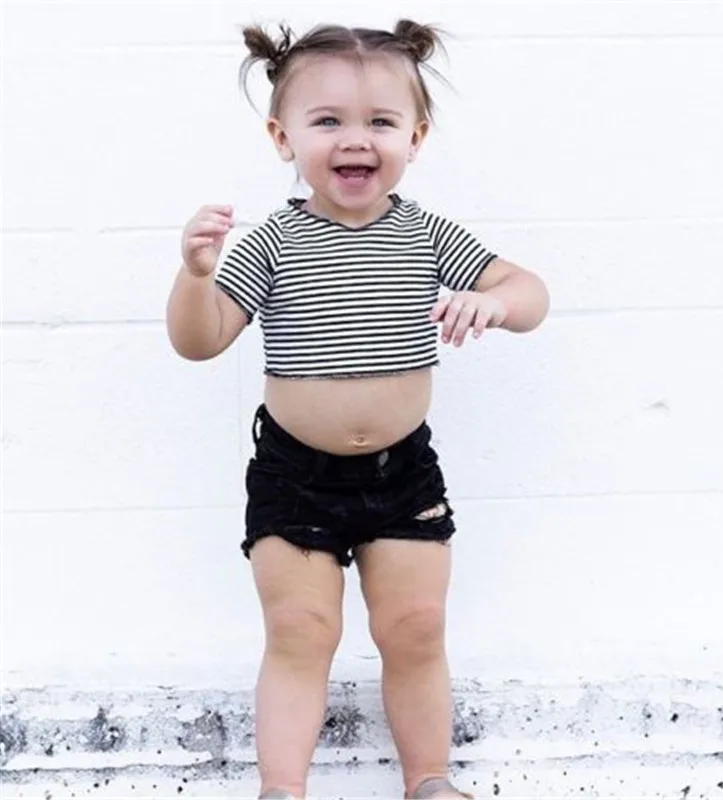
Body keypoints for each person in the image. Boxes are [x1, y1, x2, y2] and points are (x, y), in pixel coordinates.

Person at [166, 17, 550, 800]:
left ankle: (428, 779)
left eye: (380, 121)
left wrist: (496, 303)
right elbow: (199, 342)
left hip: (402, 473)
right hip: (295, 475)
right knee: (300, 632)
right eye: (328, 121)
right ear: (283, 137)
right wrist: (196, 275)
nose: (356, 139)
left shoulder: (425, 233)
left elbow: (530, 292)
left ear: (417, 136)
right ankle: (282, 788)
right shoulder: (273, 243)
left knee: (416, 628)